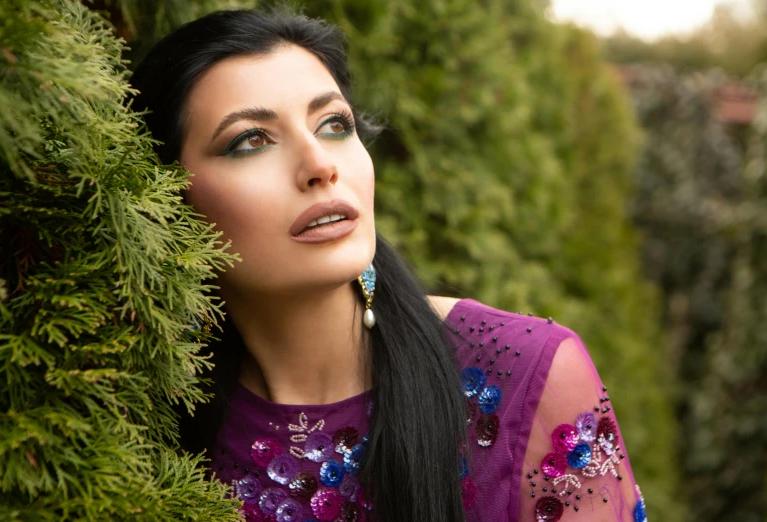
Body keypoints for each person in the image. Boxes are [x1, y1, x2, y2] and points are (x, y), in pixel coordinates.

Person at [130, 6, 647, 522]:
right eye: (251, 140)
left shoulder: (526, 376)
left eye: (334, 123)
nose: (320, 165)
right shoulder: (143, 429)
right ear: (167, 199)